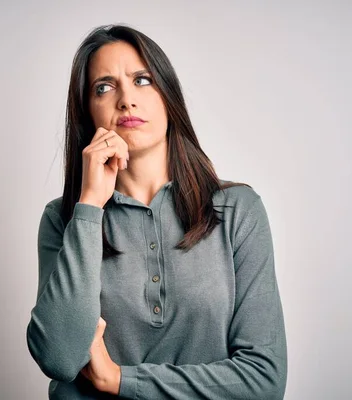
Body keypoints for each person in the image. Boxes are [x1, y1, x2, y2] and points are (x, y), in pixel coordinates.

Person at [26, 23, 287, 399]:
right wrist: (89, 206)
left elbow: (264, 382)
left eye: (142, 80)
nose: (126, 100)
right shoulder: (65, 218)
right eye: (104, 87)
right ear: (88, 112)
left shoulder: (237, 211)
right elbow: (60, 357)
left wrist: (119, 380)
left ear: (168, 95)